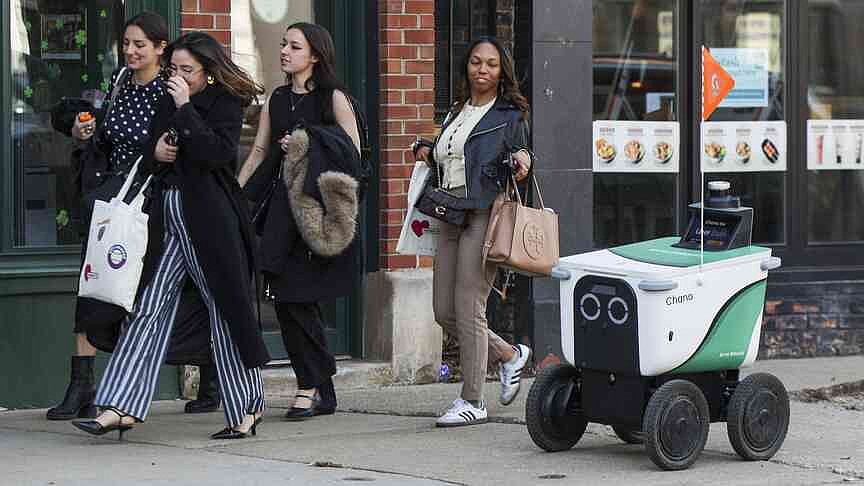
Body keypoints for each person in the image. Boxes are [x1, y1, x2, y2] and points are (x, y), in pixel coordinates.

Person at [71, 31, 269, 440]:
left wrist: (184, 107)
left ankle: (247, 409)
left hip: (210, 221)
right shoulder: (167, 98)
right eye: (174, 69)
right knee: (146, 308)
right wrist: (155, 152)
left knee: (224, 311)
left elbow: (216, 155)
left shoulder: (225, 103)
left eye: (187, 70)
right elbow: (150, 153)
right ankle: (119, 404)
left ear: (209, 73)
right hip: (168, 217)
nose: (177, 77)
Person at [47, 11, 221, 421]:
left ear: (161, 48)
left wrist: (156, 156)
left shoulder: (171, 89)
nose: (130, 51)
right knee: (93, 282)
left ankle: (209, 371)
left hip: (154, 201)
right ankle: (82, 383)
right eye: (126, 44)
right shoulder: (121, 82)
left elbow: (184, 146)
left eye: (140, 44)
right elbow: (109, 138)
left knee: (163, 295)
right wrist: (86, 132)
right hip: (113, 201)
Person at [237, 22, 361, 421]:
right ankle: (320, 384)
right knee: (285, 298)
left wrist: (308, 142)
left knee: (300, 300)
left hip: (316, 214)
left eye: (294, 46)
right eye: (284, 44)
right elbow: (257, 152)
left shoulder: (333, 98)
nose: (285, 51)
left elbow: (353, 154)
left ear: (315, 56)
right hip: (279, 214)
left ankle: (309, 386)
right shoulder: (276, 98)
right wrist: (235, 197)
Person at [411, 37, 534, 427]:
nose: (483, 70)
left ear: (502, 72)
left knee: (469, 307)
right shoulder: (456, 111)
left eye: (492, 64)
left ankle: (473, 399)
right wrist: (427, 149)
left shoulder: (509, 115)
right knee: (444, 312)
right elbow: (452, 154)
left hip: (484, 211)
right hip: (449, 212)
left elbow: (525, 153)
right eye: (476, 63)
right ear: (467, 67)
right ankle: (510, 355)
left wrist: (522, 161)